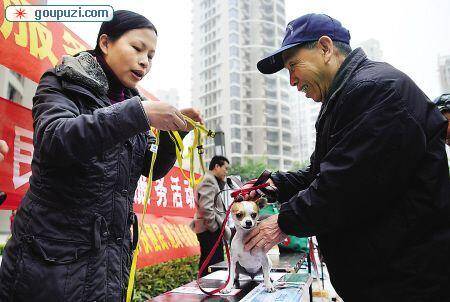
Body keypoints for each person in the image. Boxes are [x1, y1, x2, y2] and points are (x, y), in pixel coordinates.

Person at [244, 13, 450, 301]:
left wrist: (282, 222)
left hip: (406, 281)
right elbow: (321, 171)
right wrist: (276, 185)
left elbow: (346, 186)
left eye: (293, 66)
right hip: (384, 279)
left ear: (326, 48)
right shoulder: (345, 99)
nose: (292, 81)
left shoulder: (375, 91)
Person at [0, 10, 203, 302]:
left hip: (107, 258)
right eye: (137, 48)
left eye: (151, 55)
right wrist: (140, 114)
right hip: (51, 261)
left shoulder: (132, 103)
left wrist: (175, 134)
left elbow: (150, 167)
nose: (145, 61)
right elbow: (55, 139)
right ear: (106, 43)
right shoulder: (63, 83)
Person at [190, 155, 231, 276]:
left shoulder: (212, 180)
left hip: (207, 228)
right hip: (209, 229)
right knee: (212, 262)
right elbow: (206, 208)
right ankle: (208, 287)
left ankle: (207, 287)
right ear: (217, 166)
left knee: (210, 261)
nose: (226, 172)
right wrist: (214, 228)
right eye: (225, 168)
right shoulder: (209, 180)